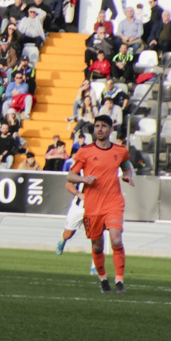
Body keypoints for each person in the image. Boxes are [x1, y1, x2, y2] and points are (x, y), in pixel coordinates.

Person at [66, 115, 133, 294]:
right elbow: (70, 176)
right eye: (97, 126)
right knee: (97, 246)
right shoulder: (85, 151)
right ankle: (103, 279)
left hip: (113, 202)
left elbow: (127, 166)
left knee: (116, 239)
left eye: (104, 126)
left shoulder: (120, 151)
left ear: (111, 129)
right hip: (93, 205)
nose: (100, 129)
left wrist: (128, 176)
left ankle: (119, 281)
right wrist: (83, 178)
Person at [55, 172, 99, 276]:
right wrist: (79, 194)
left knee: (96, 238)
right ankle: (63, 238)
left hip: (95, 209)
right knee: (68, 234)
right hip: (79, 207)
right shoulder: (82, 168)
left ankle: (95, 266)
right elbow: (68, 185)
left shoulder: (104, 168)